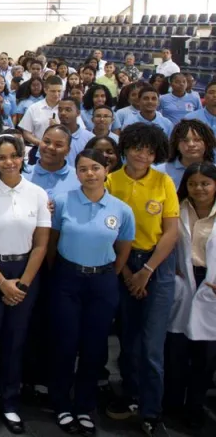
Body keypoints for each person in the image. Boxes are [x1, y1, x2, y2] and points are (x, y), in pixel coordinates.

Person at [0, 135, 50, 433]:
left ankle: (11, 402)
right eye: (1, 157)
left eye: (13, 155)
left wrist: (22, 284)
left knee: (15, 343)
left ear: (22, 156)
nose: (8, 162)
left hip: (25, 271)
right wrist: (2, 282)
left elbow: (41, 245)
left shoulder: (37, 193)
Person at [49, 149, 135, 434]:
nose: (90, 174)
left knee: (94, 347)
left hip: (103, 283)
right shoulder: (63, 202)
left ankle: (85, 407)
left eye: (95, 168)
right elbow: (52, 241)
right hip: (67, 279)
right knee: (65, 343)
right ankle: (61, 404)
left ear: (106, 170)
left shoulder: (121, 210)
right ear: (77, 173)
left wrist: (108, 272)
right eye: (83, 169)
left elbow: (123, 249)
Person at [104, 123, 179, 436]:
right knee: (128, 338)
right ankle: (129, 395)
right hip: (121, 263)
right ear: (127, 148)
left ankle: (151, 411)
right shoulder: (110, 181)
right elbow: (107, 232)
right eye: (137, 148)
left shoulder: (163, 182)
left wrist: (146, 271)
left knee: (151, 345)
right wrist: (126, 271)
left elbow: (171, 230)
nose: (143, 155)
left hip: (155, 265)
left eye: (150, 150)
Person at [165, 161, 216, 429]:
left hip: (211, 285)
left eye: (205, 183)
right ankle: (172, 403)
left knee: (205, 354)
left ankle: (195, 406)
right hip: (183, 282)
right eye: (193, 183)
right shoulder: (176, 208)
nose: (199, 189)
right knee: (175, 348)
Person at [160, 119, 216, 189]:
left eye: (197, 140)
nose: (191, 144)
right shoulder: (160, 171)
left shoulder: (214, 170)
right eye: (185, 140)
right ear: (176, 145)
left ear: (207, 143)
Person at [18, 76, 64, 148]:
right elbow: (26, 133)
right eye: (53, 91)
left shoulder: (67, 108)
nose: (56, 94)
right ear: (45, 90)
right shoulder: (34, 108)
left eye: (59, 91)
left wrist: (60, 127)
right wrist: (41, 143)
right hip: (39, 148)